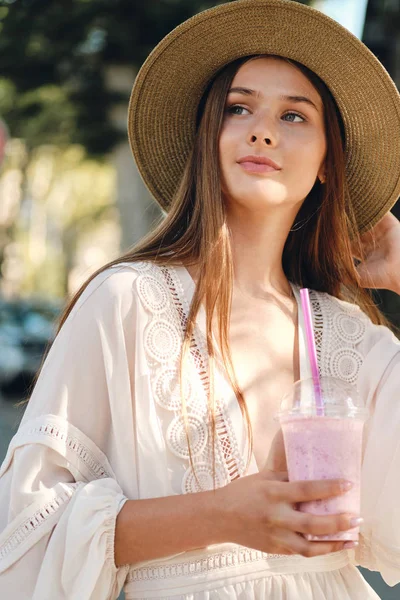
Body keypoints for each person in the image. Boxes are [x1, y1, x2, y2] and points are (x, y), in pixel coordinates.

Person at [1, 0, 400, 598]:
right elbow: (23, 531)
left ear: (326, 162)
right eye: (239, 108)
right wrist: (220, 513)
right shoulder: (126, 302)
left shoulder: (355, 343)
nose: (262, 129)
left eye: (296, 117)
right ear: (208, 136)